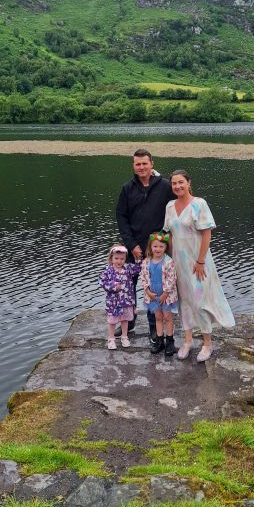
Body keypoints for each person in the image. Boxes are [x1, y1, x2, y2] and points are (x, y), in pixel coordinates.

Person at [164, 169, 235, 362]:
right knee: (184, 300)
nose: (177, 186)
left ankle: (207, 343)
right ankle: (188, 341)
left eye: (181, 182)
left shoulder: (199, 204)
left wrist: (201, 261)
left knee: (200, 300)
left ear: (188, 183)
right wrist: (166, 259)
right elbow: (169, 234)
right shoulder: (170, 206)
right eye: (174, 183)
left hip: (198, 261)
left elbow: (206, 234)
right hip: (178, 261)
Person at [116, 149, 175, 344]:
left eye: (144, 163)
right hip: (133, 247)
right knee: (128, 286)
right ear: (133, 166)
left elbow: (174, 212)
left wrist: (164, 240)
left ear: (152, 164)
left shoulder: (165, 186)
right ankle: (129, 321)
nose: (141, 167)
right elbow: (121, 216)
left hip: (156, 248)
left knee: (154, 287)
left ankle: (154, 328)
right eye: (138, 164)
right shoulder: (127, 189)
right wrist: (131, 244)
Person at [139, 231, 178, 356]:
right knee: (158, 317)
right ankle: (159, 341)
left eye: (161, 246)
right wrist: (148, 291)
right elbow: (143, 277)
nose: (158, 249)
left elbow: (172, 279)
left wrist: (165, 293)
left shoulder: (168, 262)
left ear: (166, 247)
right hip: (153, 295)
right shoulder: (146, 262)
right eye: (155, 246)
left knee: (167, 317)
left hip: (166, 295)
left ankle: (170, 341)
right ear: (151, 247)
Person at [98, 244, 141, 350]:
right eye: (116, 258)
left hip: (126, 300)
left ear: (125, 259)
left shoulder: (127, 268)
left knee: (125, 320)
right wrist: (112, 286)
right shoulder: (108, 270)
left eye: (122, 259)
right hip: (114, 302)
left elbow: (138, 269)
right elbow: (102, 282)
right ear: (111, 258)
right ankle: (111, 339)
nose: (119, 261)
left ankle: (124, 337)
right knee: (112, 321)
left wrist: (138, 260)